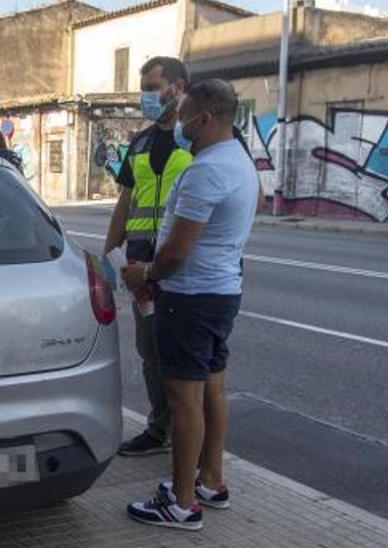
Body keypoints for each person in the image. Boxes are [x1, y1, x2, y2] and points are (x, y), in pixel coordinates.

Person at [122, 79, 258, 531]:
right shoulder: (239, 159)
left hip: (190, 298)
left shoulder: (206, 171)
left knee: (184, 401)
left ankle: (180, 503)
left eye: (183, 117)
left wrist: (144, 274)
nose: (177, 124)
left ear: (203, 118)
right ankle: (210, 482)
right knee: (212, 391)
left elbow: (176, 255)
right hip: (221, 293)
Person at [103, 57, 194, 458]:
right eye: (143, 88)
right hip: (141, 269)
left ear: (177, 87)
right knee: (151, 353)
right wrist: (109, 252)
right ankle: (160, 430)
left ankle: (191, 438)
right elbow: (125, 201)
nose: (146, 97)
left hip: (184, 264)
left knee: (188, 358)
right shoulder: (139, 143)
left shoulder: (197, 140)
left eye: (152, 87)